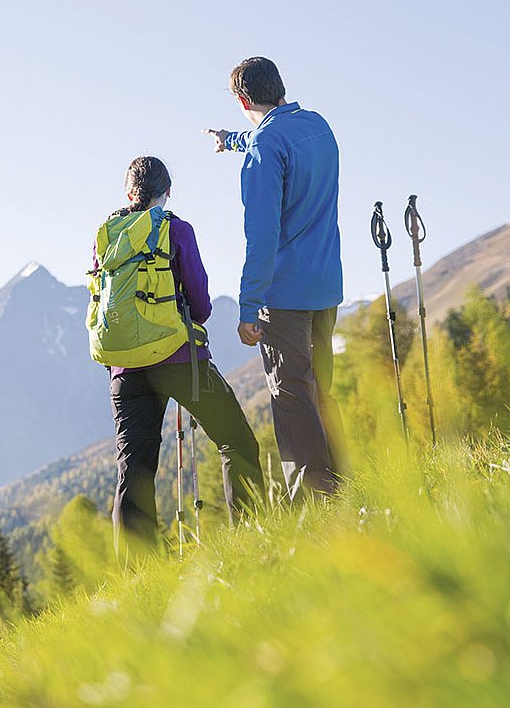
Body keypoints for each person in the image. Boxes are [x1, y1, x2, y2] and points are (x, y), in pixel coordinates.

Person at [94, 156, 265, 562]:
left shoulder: (106, 235)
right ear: (166, 192)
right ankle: (253, 536)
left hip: (125, 370)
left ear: (129, 193)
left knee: (133, 472)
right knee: (235, 441)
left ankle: (138, 574)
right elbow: (201, 304)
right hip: (179, 361)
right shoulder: (176, 229)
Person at [202, 56, 345, 501]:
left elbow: (260, 236)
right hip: (327, 288)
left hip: (285, 297)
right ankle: (343, 486)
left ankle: (314, 504)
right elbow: (272, 138)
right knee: (321, 389)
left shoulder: (266, 148)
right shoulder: (317, 126)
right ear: (279, 87)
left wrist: (248, 307)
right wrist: (232, 141)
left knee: (291, 396)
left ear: (243, 100)